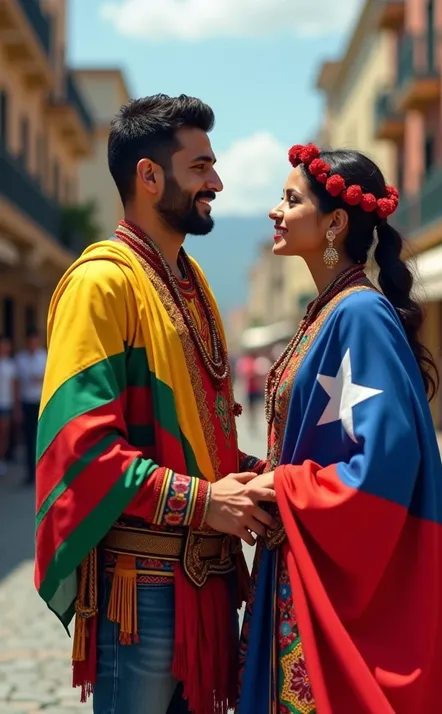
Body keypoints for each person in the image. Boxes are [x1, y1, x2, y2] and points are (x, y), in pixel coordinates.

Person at [34, 94, 272, 714]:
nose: (216, 182)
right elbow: (80, 449)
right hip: (142, 594)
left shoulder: (191, 285)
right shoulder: (101, 283)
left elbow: (194, 435)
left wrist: (251, 474)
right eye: (200, 167)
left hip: (208, 582)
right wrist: (206, 500)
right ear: (149, 175)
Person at [238, 143, 442, 713]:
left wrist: (283, 487)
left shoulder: (359, 314)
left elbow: (386, 464)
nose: (275, 210)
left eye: (291, 200)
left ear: (336, 222)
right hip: (296, 558)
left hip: (326, 578)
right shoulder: (327, 310)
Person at [16, 328, 46, 485]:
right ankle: (30, 474)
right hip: (27, 402)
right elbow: (17, 383)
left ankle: (42, 472)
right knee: (28, 439)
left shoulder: (44, 357)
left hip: (41, 403)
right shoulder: (21, 358)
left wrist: (40, 378)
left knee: (41, 439)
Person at [0, 335, 19, 477]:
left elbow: (15, 387)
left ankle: (2, 460)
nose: (4, 348)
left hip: (6, 404)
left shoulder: (11, 365)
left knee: (3, 435)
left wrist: (16, 407)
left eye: (6, 345)